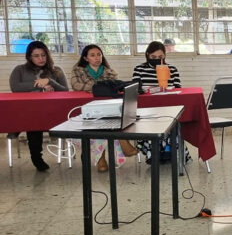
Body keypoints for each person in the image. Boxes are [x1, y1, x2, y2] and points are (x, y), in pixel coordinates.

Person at [71, 44, 138, 172]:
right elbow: (76, 85)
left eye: (99, 54)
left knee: (111, 119)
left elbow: (114, 86)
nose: (97, 57)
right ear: (85, 58)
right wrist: (100, 87)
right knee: (95, 124)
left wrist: (97, 87)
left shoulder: (110, 71)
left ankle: (107, 154)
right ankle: (105, 154)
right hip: (86, 106)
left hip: (106, 105)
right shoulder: (78, 70)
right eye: (92, 55)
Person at [8, 41, 69, 171]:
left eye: (43, 55)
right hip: (29, 111)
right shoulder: (19, 69)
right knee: (33, 119)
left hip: (52, 110)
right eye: (36, 56)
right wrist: (40, 85)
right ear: (29, 57)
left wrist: (50, 81)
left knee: (35, 118)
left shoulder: (56, 70)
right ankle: (37, 157)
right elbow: (15, 87)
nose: (41, 59)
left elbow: (65, 90)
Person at [131, 41, 189, 163]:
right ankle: (155, 153)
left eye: (160, 57)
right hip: (147, 111)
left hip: (168, 109)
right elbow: (135, 90)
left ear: (164, 56)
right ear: (147, 55)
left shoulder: (171, 69)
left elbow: (178, 90)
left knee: (171, 121)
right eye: (153, 57)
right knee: (150, 123)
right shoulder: (139, 69)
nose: (157, 59)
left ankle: (168, 151)